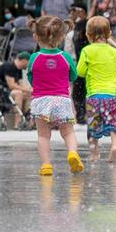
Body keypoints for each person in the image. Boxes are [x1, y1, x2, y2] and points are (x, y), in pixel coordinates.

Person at [27, 15, 84, 177]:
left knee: (43, 135)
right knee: (67, 132)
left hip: (41, 101)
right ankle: (72, 153)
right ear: (61, 38)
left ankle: (46, 165)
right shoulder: (65, 57)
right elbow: (73, 76)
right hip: (62, 100)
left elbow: (31, 78)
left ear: (35, 36)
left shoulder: (34, 58)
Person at [77, 16, 116, 163]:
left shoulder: (86, 51)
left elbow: (80, 72)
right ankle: (115, 146)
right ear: (109, 34)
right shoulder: (114, 52)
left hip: (94, 96)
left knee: (93, 125)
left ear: (88, 35)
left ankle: (94, 153)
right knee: (115, 123)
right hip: (113, 95)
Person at [0, 51, 32, 129]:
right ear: (24, 61)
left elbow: (21, 84)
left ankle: (28, 119)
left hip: (9, 92)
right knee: (19, 93)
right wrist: (27, 89)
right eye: (29, 63)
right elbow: (11, 85)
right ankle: (17, 123)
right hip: (1, 91)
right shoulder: (9, 66)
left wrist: (29, 90)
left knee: (27, 94)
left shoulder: (18, 69)